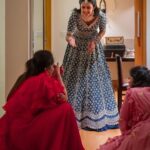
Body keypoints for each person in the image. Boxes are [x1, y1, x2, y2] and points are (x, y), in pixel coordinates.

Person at [0, 50, 84, 150]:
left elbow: (10, 98)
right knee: (66, 109)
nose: (54, 68)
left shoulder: (25, 77)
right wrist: (58, 75)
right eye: (53, 66)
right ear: (47, 68)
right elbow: (64, 98)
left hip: (13, 126)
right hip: (26, 130)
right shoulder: (44, 80)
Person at [62, 0, 119, 131]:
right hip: (76, 49)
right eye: (83, 7)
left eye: (88, 7)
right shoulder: (75, 16)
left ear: (94, 7)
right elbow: (69, 34)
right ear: (80, 6)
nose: (86, 10)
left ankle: (95, 117)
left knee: (94, 80)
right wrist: (70, 40)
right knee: (74, 81)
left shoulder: (101, 16)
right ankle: (71, 118)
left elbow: (102, 31)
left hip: (92, 48)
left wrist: (95, 42)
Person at [98, 66, 150, 150]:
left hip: (140, 134)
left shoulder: (132, 93)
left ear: (136, 80)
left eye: (130, 78)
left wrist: (126, 134)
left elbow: (123, 119)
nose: (128, 80)